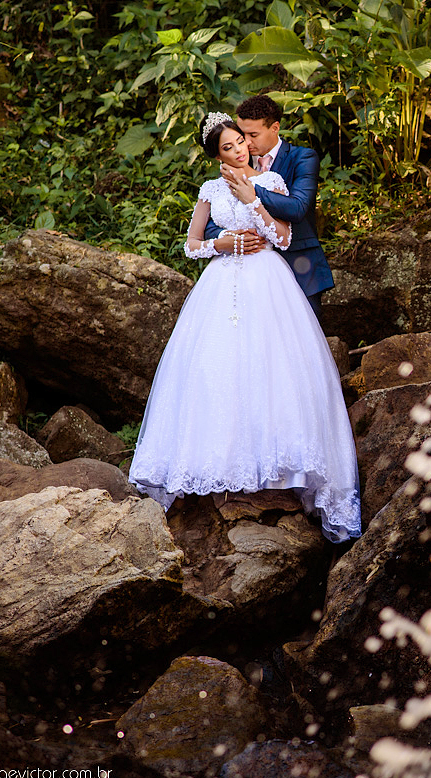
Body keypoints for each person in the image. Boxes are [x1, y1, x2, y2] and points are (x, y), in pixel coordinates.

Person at [129, 111, 362, 543]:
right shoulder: (210, 190)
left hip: (268, 280)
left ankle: (280, 470)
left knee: (272, 365)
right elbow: (191, 243)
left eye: (240, 141)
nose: (239, 150)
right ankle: (218, 466)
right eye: (228, 147)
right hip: (220, 282)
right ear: (216, 156)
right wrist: (220, 243)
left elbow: (285, 238)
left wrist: (253, 198)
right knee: (217, 365)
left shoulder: (271, 182)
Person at [203, 95, 334, 320]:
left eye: (253, 135)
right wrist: (227, 238)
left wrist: (251, 190)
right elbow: (215, 218)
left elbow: (298, 208)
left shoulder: (302, 158)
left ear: (275, 128)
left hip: (300, 266)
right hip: (249, 274)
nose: (246, 143)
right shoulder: (237, 160)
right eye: (242, 135)